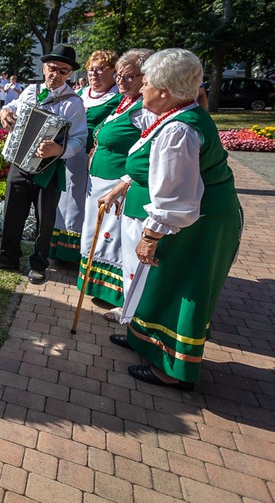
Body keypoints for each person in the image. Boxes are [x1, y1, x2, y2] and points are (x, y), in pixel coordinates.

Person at [101, 48, 241, 390]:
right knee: (160, 285)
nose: (141, 89)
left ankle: (173, 370)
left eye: (145, 82)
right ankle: (143, 341)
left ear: (165, 91)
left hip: (200, 225)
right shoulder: (177, 115)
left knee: (180, 289)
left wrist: (151, 235)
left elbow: (175, 196)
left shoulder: (179, 131)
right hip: (199, 219)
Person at [0, 44, 88, 285]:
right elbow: (13, 107)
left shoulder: (74, 103)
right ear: (44, 67)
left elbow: (80, 139)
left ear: (69, 74)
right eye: (52, 68)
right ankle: (7, 258)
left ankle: (39, 264)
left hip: (48, 168)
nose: (56, 74)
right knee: (12, 211)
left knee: (44, 218)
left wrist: (60, 149)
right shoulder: (31, 89)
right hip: (20, 162)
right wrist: (5, 112)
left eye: (63, 71)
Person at [77, 49, 153, 318]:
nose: (121, 80)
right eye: (119, 75)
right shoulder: (125, 102)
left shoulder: (144, 107)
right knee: (97, 235)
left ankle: (118, 294)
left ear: (147, 77)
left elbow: (147, 149)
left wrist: (124, 183)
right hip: (99, 180)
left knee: (115, 240)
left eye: (128, 76)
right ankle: (99, 287)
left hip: (118, 183)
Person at [48, 50, 121, 264]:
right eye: (91, 69)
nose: (94, 74)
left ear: (114, 72)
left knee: (83, 205)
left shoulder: (117, 99)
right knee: (65, 201)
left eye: (100, 69)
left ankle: (78, 253)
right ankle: (59, 250)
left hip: (92, 159)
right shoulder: (78, 95)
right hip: (67, 154)